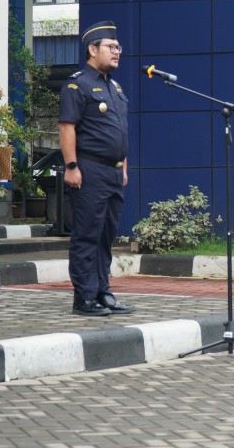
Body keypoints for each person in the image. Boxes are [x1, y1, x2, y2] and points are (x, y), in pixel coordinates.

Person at [58, 20, 135, 316]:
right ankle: (84, 297)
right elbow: (67, 128)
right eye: (111, 47)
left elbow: (119, 131)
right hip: (89, 170)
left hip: (114, 172)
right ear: (92, 49)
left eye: (119, 48)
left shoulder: (114, 87)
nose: (117, 52)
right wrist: (71, 166)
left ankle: (103, 291)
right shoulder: (78, 84)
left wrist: (123, 166)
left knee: (106, 236)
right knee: (87, 235)